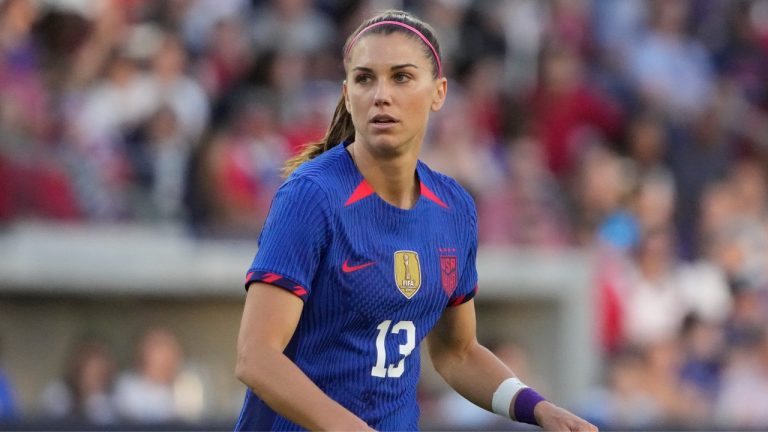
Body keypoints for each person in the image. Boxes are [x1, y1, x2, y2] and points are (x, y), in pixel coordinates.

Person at [234, 9, 596, 431]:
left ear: (439, 93)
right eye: (365, 78)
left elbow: (457, 352)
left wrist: (538, 408)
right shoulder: (312, 195)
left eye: (401, 77)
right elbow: (256, 357)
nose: (380, 95)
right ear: (347, 95)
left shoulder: (454, 207)